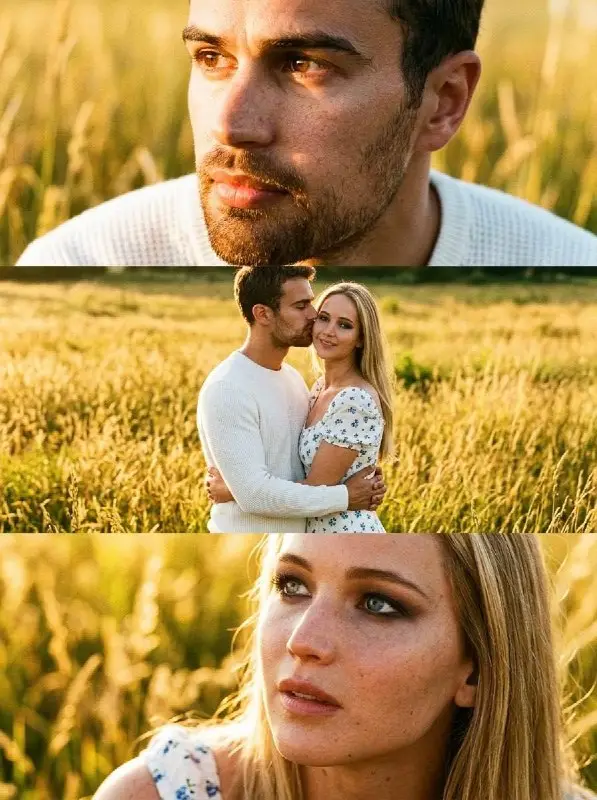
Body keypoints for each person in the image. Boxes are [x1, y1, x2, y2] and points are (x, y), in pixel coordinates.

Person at [16, 0, 597, 267]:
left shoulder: (569, 268)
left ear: (443, 101)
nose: (230, 125)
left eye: (303, 65)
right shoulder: (75, 263)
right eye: (212, 57)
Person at [92, 533, 595, 800]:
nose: (303, 641)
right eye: (293, 586)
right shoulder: (162, 793)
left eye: (378, 604)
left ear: (478, 671)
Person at [197, 266, 387, 533]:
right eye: (301, 306)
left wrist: (235, 490)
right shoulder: (228, 387)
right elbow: (254, 494)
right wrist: (346, 495)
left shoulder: (295, 380)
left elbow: (299, 474)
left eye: (311, 304)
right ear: (263, 314)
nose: (312, 315)